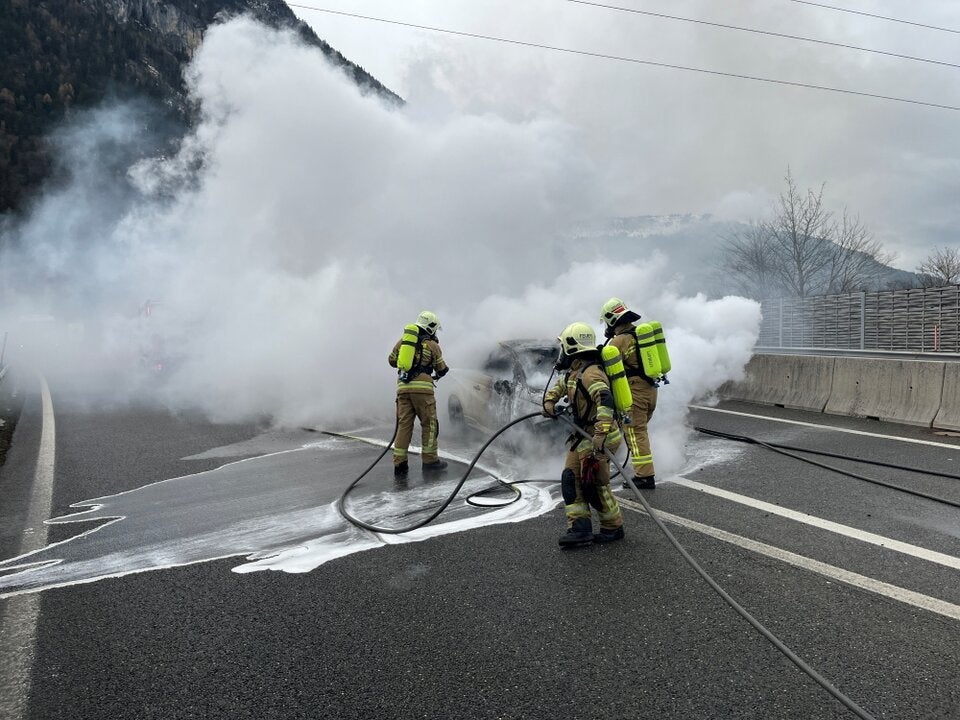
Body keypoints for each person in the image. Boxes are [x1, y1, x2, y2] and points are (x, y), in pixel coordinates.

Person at [542, 321, 625, 546]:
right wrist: (549, 402)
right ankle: (579, 529)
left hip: (599, 435)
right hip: (584, 436)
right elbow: (561, 386)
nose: (561, 352)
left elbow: (605, 401)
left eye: (563, 347)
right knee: (571, 479)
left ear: (571, 346)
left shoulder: (591, 374)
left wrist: (600, 434)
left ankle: (613, 527)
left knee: (593, 484)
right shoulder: (576, 371)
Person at [600, 297, 657, 489]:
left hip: (635, 391)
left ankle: (644, 477)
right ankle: (643, 471)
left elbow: (605, 366)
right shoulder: (639, 334)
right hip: (650, 390)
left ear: (611, 319)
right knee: (638, 431)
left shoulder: (619, 340)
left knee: (635, 432)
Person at [388, 310, 450, 479]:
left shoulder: (403, 342)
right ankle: (430, 462)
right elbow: (441, 368)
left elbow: (392, 360)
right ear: (431, 328)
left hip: (403, 390)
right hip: (423, 391)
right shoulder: (432, 345)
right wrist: (442, 370)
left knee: (404, 426)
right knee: (429, 425)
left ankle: (399, 464)